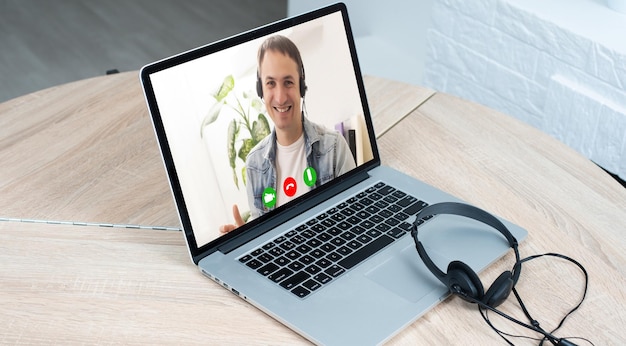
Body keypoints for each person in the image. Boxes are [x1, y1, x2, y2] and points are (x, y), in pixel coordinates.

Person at [219, 35, 355, 233]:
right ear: (261, 90)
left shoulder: (334, 148)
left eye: (288, 82)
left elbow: (355, 220)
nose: (280, 97)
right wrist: (245, 241)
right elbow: (262, 239)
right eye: (271, 84)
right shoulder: (254, 164)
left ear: (301, 87)